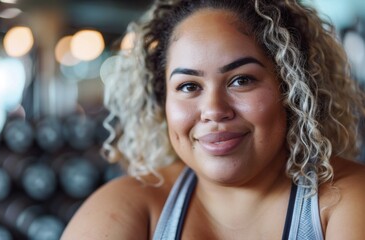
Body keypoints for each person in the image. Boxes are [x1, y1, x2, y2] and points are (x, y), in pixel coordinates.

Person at [61, 0, 365, 239]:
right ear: (163, 103)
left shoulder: (345, 200)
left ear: (292, 90)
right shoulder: (128, 208)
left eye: (241, 80)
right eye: (189, 87)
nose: (214, 109)